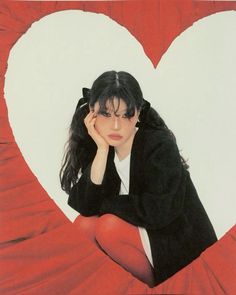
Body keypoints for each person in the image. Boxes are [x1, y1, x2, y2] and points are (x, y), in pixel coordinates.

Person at [60, 70, 217, 287]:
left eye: (126, 115)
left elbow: (159, 210)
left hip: (176, 245)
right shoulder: (100, 143)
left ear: (138, 114)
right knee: (83, 227)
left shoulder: (158, 144)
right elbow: (86, 207)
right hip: (137, 238)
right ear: (91, 112)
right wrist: (102, 150)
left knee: (108, 227)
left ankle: (155, 290)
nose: (116, 126)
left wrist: (107, 205)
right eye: (106, 114)